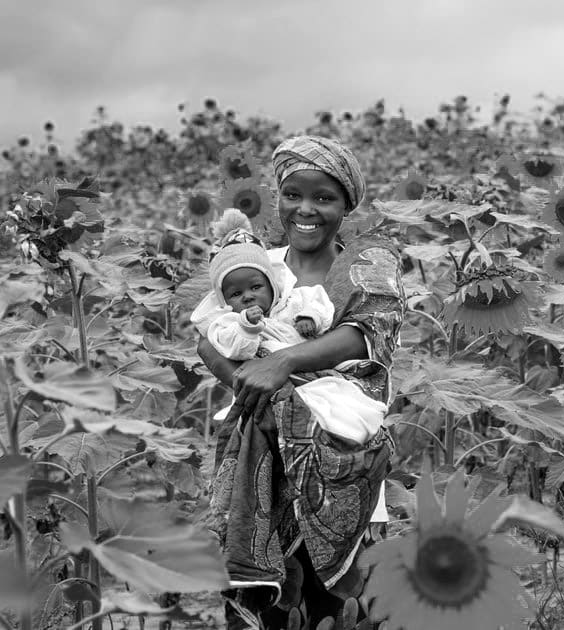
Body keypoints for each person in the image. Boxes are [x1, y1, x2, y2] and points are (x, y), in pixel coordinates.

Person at [197, 136, 400, 630]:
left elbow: (366, 336)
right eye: (293, 195)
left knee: (341, 607)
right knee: (272, 604)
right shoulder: (257, 265)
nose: (305, 210)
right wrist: (254, 386)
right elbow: (206, 335)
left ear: (346, 204)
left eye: (324, 198)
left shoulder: (369, 264)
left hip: (339, 457)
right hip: (265, 463)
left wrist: (283, 363)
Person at [191, 208, 387, 448]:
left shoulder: (290, 298)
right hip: (265, 385)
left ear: (272, 284)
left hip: (310, 372)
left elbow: (320, 308)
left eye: (255, 287)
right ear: (223, 301)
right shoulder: (229, 321)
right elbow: (227, 347)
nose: (248, 297)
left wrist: (309, 318)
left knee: (338, 405)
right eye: (236, 294)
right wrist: (247, 327)